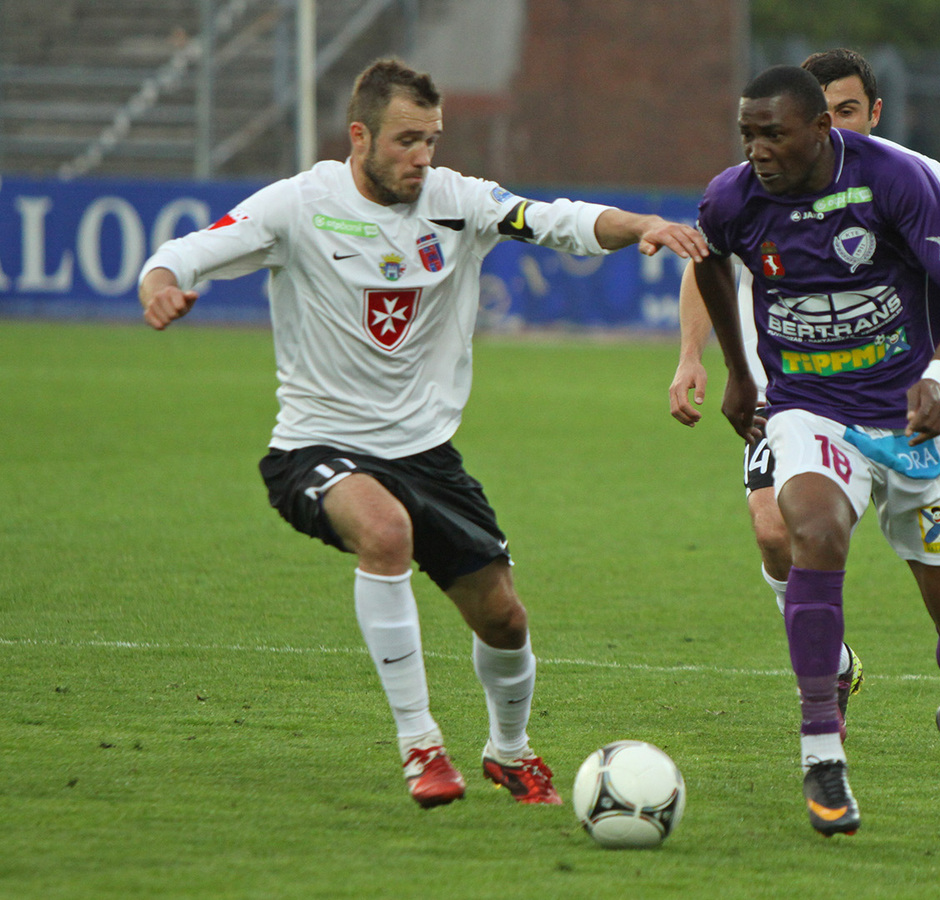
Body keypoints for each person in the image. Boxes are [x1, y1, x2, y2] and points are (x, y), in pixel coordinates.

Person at [137, 58, 707, 808]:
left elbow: (555, 220)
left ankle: (509, 752)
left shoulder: (457, 201)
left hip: (426, 457)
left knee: (504, 618)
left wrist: (643, 225)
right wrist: (161, 286)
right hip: (316, 446)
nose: (422, 157)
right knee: (385, 533)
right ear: (360, 136)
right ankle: (421, 746)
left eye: (432, 140)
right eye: (407, 141)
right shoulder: (298, 205)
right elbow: (182, 254)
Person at [669, 48, 940, 777]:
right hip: (791, 397)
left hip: (905, 402)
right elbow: (705, 261)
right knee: (776, 530)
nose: (834, 124)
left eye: (847, 110)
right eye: (822, 110)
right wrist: (692, 357)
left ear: (872, 112)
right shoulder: (754, 185)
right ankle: (830, 667)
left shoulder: (909, 174)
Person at [693, 64, 940, 837]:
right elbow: (708, 262)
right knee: (812, 529)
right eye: (747, 134)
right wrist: (736, 370)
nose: (757, 149)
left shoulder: (893, 180)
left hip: (910, 422)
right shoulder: (732, 198)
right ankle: (821, 752)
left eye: (773, 134)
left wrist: (939, 378)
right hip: (810, 410)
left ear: (819, 130)